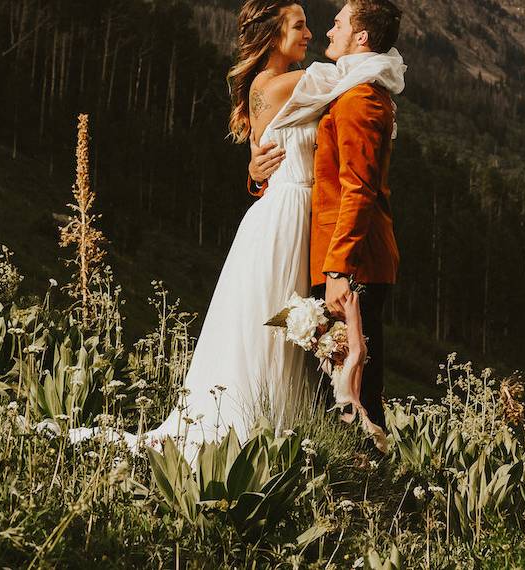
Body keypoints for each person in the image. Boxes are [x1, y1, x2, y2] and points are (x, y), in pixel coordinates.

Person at [70, 0, 405, 463]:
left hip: (292, 213)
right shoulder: (296, 84)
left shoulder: (269, 86)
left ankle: (301, 436)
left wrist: (254, 173)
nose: (312, 33)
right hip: (291, 217)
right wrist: (382, 66)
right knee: (292, 333)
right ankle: (278, 435)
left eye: (317, 24)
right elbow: (353, 77)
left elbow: (268, 152)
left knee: (293, 336)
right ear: (272, 34)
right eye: (300, 25)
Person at [250, 0, 404, 433]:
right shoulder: (352, 88)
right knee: (341, 382)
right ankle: (355, 476)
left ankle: (366, 482)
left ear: (362, 38)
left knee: (354, 385)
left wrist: (338, 269)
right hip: (341, 256)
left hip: (352, 262)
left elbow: (359, 190)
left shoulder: (360, 98)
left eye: (338, 23)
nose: (327, 31)